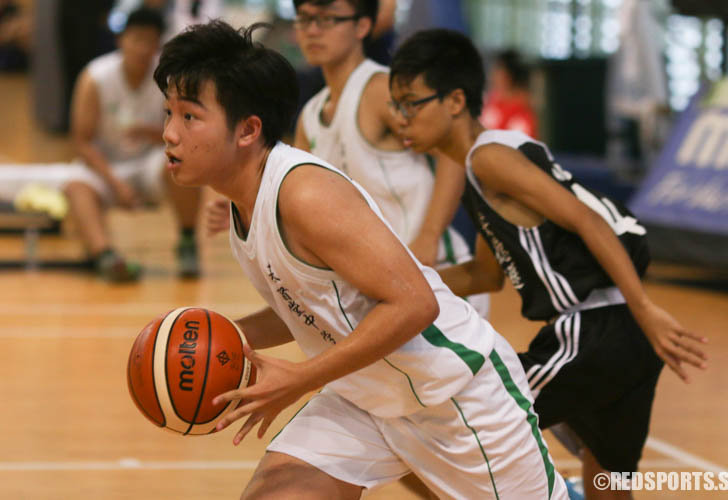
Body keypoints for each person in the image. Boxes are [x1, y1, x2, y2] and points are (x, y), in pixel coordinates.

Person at [156, 20, 570, 500]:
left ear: (248, 129)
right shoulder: (243, 208)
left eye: (188, 116)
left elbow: (416, 305)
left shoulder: (305, 193)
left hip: (451, 394)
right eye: (168, 113)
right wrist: (219, 339)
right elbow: (306, 307)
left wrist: (300, 378)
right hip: (364, 400)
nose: (168, 133)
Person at [389, 29, 708, 499]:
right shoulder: (484, 168)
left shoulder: (489, 159)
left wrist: (645, 309)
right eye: (397, 105)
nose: (401, 118)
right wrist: (397, 286)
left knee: (420, 433)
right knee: (609, 483)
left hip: (592, 331)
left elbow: (587, 220)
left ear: (455, 100)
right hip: (620, 337)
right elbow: (484, 276)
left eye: (411, 103)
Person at [208, 0, 488, 315]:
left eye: (327, 19)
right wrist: (247, 201)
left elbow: (453, 152)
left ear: (362, 26)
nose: (312, 31)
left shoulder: (382, 90)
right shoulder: (311, 115)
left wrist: (429, 234)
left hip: (440, 279)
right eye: (304, 19)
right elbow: (291, 199)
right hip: (381, 290)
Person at [63, 7, 202, 282]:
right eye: (136, 38)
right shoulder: (95, 77)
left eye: (150, 40)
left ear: (158, 45)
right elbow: (81, 141)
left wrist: (151, 133)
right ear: (121, 40)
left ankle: (187, 240)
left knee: (185, 163)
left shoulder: (168, 81)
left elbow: (187, 133)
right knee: (77, 186)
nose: (142, 47)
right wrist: (115, 183)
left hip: (150, 162)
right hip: (105, 165)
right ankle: (105, 256)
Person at [480, 49, 538, 138]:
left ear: (508, 76)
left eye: (497, 69)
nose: (492, 74)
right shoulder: (489, 101)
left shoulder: (521, 115)